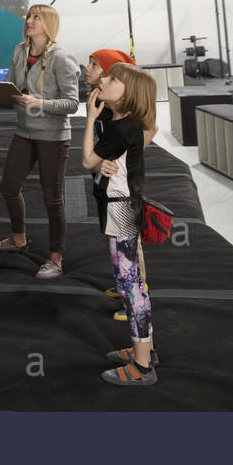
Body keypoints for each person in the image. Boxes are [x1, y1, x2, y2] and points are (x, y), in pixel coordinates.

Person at [0, 5, 78, 278]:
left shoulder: (61, 58)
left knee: (53, 198)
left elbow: (73, 103)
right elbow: (12, 89)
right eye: (29, 16)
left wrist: (39, 102)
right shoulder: (20, 51)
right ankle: (19, 238)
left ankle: (56, 257)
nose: (29, 21)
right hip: (24, 133)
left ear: (48, 23)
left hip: (53, 137)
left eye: (36, 17)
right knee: (9, 186)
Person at [83, 63, 159, 386]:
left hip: (121, 210)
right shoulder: (120, 123)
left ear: (128, 96)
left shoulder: (122, 128)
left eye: (112, 79)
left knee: (129, 284)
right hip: (121, 206)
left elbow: (87, 159)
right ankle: (145, 349)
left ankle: (143, 367)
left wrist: (88, 118)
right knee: (130, 282)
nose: (104, 80)